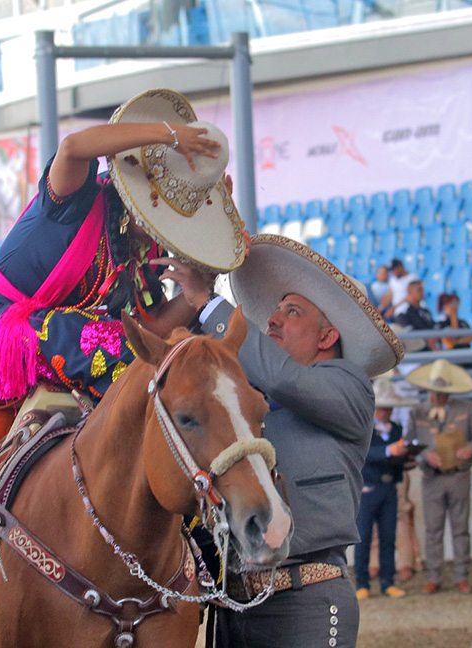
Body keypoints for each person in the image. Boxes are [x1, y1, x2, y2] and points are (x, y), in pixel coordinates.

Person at [0, 88, 238, 459]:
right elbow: (73, 147)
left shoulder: (146, 250)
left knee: (173, 346)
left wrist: (200, 288)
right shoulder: (75, 200)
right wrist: (168, 134)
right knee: (102, 342)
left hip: (59, 340)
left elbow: (152, 332)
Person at [166, 234, 405, 648]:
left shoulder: (350, 385)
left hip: (307, 596)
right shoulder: (254, 391)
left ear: (327, 337)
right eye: (274, 312)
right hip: (237, 601)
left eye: (291, 312)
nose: (272, 320)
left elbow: (282, 377)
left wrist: (208, 301)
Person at [405, 360, 472, 595]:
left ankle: (461, 576)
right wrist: (424, 456)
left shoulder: (465, 408)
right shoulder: (416, 412)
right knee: (433, 530)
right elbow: (410, 444)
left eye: (441, 393)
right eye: (433, 392)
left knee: (460, 528)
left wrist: (470, 448)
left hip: (458, 475)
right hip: (432, 478)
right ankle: (433, 576)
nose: (436, 397)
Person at [354, 375, 416, 600]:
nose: (386, 412)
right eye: (382, 408)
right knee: (364, 537)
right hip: (368, 488)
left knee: (389, 536)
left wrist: (406, 460)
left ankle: (388, 581)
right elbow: (365, 455)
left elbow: (392, 458)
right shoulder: (364, 430)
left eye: (388, 408)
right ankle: (362, 582)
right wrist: (390, 452)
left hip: (389, 488)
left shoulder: (397, 429)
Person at [394, 276, 438, 351]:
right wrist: (427, 339)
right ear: (410, 292)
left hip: (433, 346)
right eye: (419, 290)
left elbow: (433, 326)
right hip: (416, 349)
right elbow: (408, 331)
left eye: (422, 290)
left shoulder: (425, 310)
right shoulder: (402, 311)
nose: (422, 293)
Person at [435, 292, 472, 368]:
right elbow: (451, 336)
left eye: (456, 304)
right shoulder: (441, 323)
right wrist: (453, 317)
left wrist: (457, 342)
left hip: (465, 356)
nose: (455, 307)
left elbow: (471, 337)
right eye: (452, 304)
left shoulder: (463, 322)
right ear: (445, 305)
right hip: (449, 359)